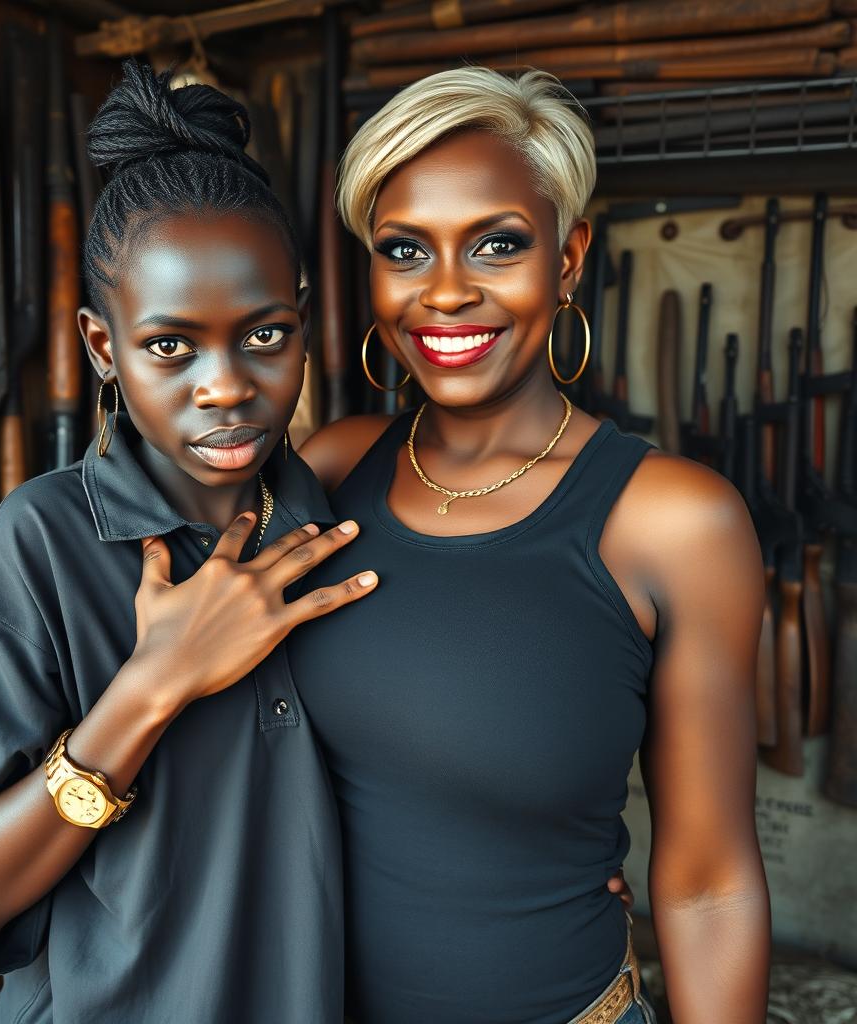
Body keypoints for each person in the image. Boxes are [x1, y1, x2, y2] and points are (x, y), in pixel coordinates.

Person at [292, 67, 770, 1024]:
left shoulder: (673, 522)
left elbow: (710, 880)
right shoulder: (331, 470)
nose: (448, 293)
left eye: (498, 244)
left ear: (568, 257)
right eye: (405, 251)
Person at [0, 62, 381, 1023]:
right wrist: (153, 685)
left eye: (264, 336)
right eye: (171, 346)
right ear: (102, 348)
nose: (224, 386)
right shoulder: (46, 541)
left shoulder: (338, 529)